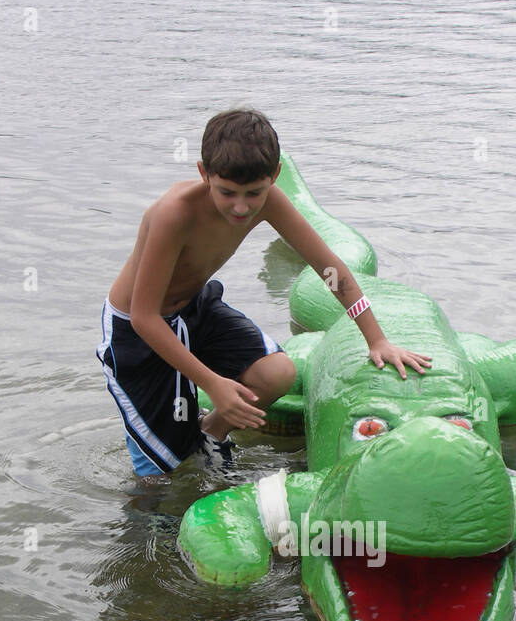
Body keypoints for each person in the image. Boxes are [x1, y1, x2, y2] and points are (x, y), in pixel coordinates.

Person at [96, 108, 431, 477]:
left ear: (274, 177)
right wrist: (213, 383)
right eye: (227, 193)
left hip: (192, 308)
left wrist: (377, 339)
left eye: (254, 193)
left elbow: (329, 268)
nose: (241, 207)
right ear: (204, 174)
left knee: (277, 373)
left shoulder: (270, 201)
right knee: (162, 476)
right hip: (138, 330)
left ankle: (212, 430)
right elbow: (144, 317)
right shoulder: (173, 214)